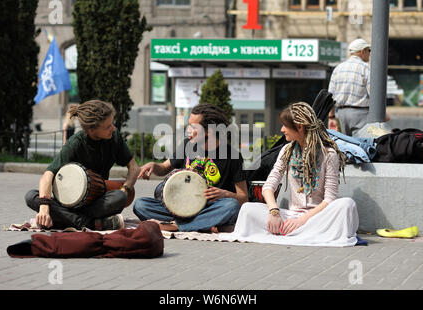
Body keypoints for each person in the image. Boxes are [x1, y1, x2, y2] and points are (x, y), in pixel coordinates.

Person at [220, 102, 359, 247]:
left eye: (285, 126)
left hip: (318, 217)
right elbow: (268, 187)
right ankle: (302, 233)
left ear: (299, 127)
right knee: (248, 209)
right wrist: (274, 212)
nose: (282, 129)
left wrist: (301, 221)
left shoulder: (328, 155)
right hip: (290, 216)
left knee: (347, 205)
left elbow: (329, 199)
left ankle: (296, 232)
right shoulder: (287, 151)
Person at [25, 100, 140, 230]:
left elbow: (134, 167)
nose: (113, 128)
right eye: (108, 126)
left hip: (97, 202)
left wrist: (126, 188)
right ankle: (90, 223)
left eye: (112, 124)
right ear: (91, 130)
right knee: (31, 196)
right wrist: (44, 207)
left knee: (119, 197)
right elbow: (48, 175)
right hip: (71, 203)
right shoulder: (75, 144)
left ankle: (65, 220)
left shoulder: (114, 137)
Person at [133, 103, 248, 232]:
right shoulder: (187, 145)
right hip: (181, 206)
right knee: (140, 205)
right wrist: (154, 166)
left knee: (231, 206)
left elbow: (243, 198)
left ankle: (177, 226)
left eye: (193, 127)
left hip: (210, 207)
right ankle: (203, 224)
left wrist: (226, 194)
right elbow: (164, 167)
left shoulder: (233, 156)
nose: (187, 129)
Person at [328, 38, 371, 136]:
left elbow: (330, 96)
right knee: (361, 146)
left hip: (341, 114)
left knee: (346, 146)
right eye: (369, 50)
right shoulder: (366, 68)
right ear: (362, 51)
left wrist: (331, 117)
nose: (369, 53)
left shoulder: (338, 68)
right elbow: (373, 93)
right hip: (360, 114)